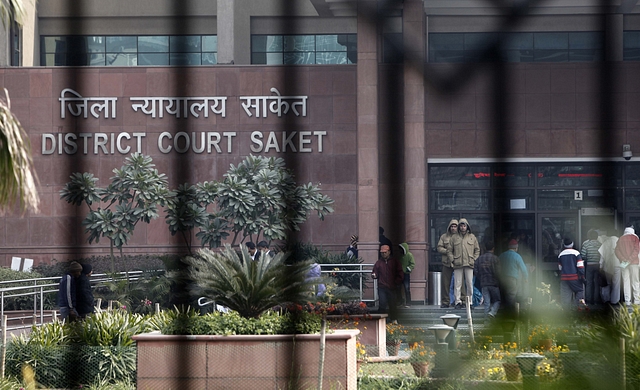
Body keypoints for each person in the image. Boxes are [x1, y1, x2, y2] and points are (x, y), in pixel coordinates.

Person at [451, 218, 480, 309]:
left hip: (469, 263)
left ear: (467, 226)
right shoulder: (454, 237)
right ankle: (457, 302)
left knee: (469, 284)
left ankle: (470, 302)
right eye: (461, 226)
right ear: (459, 227)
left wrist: (474, 259)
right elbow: (449, 250)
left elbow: (477, 250)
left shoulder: (472, 237)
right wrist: (452, 259)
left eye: (464, 226)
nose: (463, 227)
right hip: (458, 263)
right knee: (457, 284)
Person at [371, 244, 403, 321]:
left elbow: (400, 273)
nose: (383, 254)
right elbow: (374, 272)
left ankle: (394, 319)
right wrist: (374, 275)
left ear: (389, 252)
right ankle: (381, 321)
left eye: (385, 252)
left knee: (393, 304)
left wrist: (396, 282)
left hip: (392, 287)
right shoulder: (378, 263)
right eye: (382, 252)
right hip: (382, 287)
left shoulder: (395, 261)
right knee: (382, 304)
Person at [498, 239, 528, 309]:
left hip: (502, 279)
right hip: (512, 279)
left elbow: (497, 266)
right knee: (511, 296)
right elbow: (523, 269)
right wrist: (526, 278)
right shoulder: (517, 256)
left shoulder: (502, 255)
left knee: (504, 295)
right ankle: (509, 313)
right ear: (516, 248)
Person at [615, 226, 640, 306]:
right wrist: (630, 259)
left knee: (626, 282)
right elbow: (636, 250)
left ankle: (627, 300)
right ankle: (636, 300)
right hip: (634, 263)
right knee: (635, 282)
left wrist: (624, 259)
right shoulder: (635, 238)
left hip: (624, 263)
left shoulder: (620, 239)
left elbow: (616, 251)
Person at [475, 241, 500, 318]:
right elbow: (498, 272)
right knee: (498, 300)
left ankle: (486, 321)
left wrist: (480, 277)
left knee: (487, 302)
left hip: (484, 283)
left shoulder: (479, 259)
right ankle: (492, 312)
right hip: (494, 283)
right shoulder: (495, 258)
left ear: (485, 248)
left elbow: (475, 270)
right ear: (493, 248)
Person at [437, 219, 458, 308]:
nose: (453, 228)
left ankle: (461, 301)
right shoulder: (444, 237)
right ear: (449, 227)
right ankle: (445, 302)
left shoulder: (460, 237)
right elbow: (439, 248)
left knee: (460, 283)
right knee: (445, 284)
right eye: (452, 226)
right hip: (446, 263)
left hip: (458, 262)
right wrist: (448, 251)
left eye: (455, 226)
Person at [558, 238, 586, 308]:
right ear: (572, 244)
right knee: (580, 290)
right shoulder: (576, 253)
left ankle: (566, 310)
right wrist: (582, 276)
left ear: (564, 245)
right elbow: (580, 266)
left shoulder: (560, 254)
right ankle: (576, 306)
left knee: (566, 294)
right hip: (574, 277)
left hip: (564, 278)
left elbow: (560, 268)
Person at [599, 229, 621, 305]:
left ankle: (606, 299)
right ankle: (614, 300)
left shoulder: (606, 242)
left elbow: (602, 256)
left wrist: (601, 266)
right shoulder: (619, 241)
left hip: (607, 266)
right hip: (618, 265)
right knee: (616, 283)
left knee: (608, 283)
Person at [580, 229, 602, 305]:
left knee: (589, 283)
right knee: (596, 283)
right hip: (598, 265)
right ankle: (596, 300)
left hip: (589, 265)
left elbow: (583, 255)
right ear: (597, 236)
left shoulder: (586, 244)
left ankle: (588, 300)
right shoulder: (600, 244)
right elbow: (602, 255)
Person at [399, 242, 415, 308]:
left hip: (406, 274)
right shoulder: (400, 256)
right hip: (399, 274)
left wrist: (408, 269)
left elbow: (412, 264)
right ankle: (401, 301)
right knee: (398, 288)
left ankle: (408, 302)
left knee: (406, 288)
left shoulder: (409, 255)